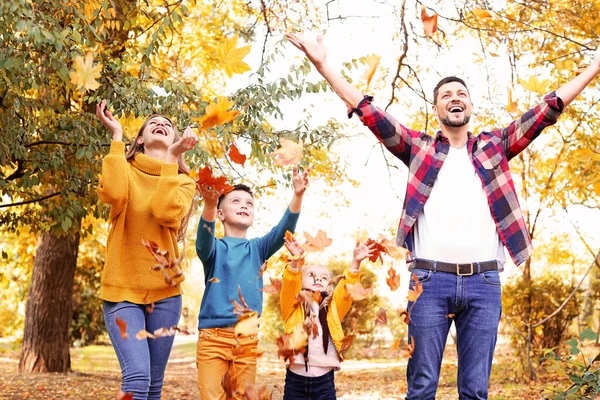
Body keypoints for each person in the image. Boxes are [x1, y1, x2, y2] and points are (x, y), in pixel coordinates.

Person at [286, 33, 600, 399]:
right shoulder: (419, 149)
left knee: (475, 391)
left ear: (470, 106)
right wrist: (323, 64)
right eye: (446, 96)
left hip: (484, 283)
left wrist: (595, 66)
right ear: (436, 110)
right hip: (429, 283)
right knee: (420, 389)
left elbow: (547, 109)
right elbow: (370, 113)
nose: (455, 98)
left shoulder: (494, 147)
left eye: (461, 94)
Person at [96, 100, 198, 400]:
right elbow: (113, 193)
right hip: (121, 289)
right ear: (139, 138)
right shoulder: (123, 169)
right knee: (137, 377)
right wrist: (116, 137)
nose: (162, 123)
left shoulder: (183, 181)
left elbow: (165, 212)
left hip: (165, 293)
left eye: (168, 124)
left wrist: (172, 159)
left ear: (175, 139)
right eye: (154, 121)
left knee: (154, 383)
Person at [195, 167, 309, 399]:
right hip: (212, 339)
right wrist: (208, 205)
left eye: (249, 203)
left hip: (246, 340)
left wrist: (297, 195)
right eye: (235, 201)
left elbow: (282, 231)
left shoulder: (257, 249)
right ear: (221, 214)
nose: (244, 205)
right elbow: (202, 241)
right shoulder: (215, 249)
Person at [280, 235, 375, 400]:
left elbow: (345, 290)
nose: (318, 279)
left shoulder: (332, 308)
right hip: (296, 382)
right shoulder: (293, 306)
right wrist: (296, 260)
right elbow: (289, 284)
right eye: (311, 275)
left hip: (324, 383)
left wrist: (355, 263)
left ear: (328, 284)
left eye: (324, 277)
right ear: (301, 282)